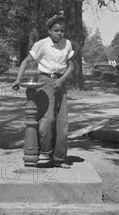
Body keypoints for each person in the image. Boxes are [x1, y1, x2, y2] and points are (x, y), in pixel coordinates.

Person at [12, 14, 75, 169]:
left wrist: (61, 81)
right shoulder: (42, 44)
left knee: (62, 124)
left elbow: (71, 66)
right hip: (45, 82)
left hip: (61, 82)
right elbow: (26, 61)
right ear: (49, 31)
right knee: (46, 121)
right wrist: (18, 80)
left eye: (62, 30)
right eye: (56, 30)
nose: (59, 33)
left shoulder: (67, 44)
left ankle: (59, 159)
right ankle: (45, 150)